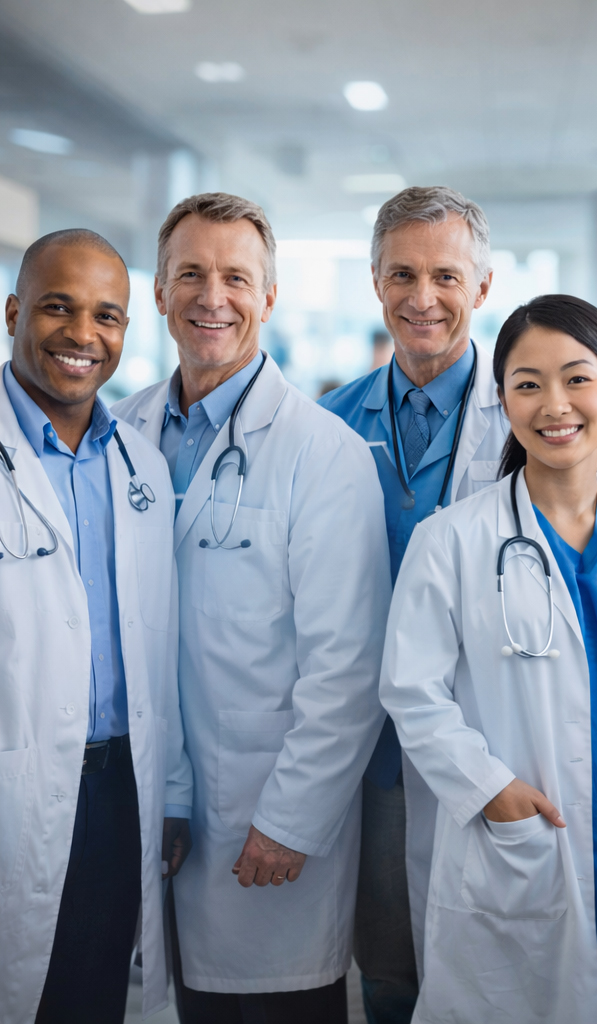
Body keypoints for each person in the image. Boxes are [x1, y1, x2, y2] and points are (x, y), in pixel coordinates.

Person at [380, 293, 597, 1022]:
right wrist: (491, 791)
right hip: (525, 840)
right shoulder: (451, 541)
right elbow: (412, 694)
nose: (554, 404)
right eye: (527, 384)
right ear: (502, 400)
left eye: (577, 378)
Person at [114, 192, 392, 1022]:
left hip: (262, 819)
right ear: (158, 292)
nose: (213, 296)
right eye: (190, 274)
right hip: (149, 808)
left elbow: (348, 669)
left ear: (269, 298)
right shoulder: (121, 435)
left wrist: (290, 820)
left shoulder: (324, 454)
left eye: (237, 277)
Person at [319, 185, 511, 1023]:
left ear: (483, 286)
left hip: (494, 731)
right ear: (374, 281)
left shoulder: (530, 418)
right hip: (374, 752)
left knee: (499, 967)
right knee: (390, 967)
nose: (422, 297)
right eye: (402, 273)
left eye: (445, 275)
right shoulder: (326, 425)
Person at [0, 229, 191, 1022]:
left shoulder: (141, 466)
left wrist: (170, 788)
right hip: (12, 788)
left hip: (119, 794)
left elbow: (157, 646)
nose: (84, 335)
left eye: (107, 316)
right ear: (12, 313)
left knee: (91, 995)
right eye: (57, 307)